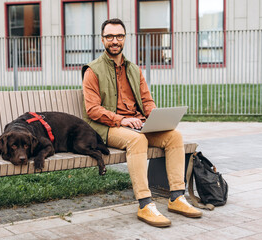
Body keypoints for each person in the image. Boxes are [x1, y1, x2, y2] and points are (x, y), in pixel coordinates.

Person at [82, 18, 202, 228]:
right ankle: (145, 203)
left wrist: (155, 117)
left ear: (124, 38)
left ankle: (176, 197)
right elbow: (93, 110)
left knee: (174, 136)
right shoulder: (92, 71)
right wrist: (122, 120)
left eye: (119, 36)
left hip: (136, 125)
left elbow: (146, 100)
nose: (114, 41)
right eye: (109, 36)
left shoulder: (134, 70)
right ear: (102, 40)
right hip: (108, 127)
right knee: (137, 141)